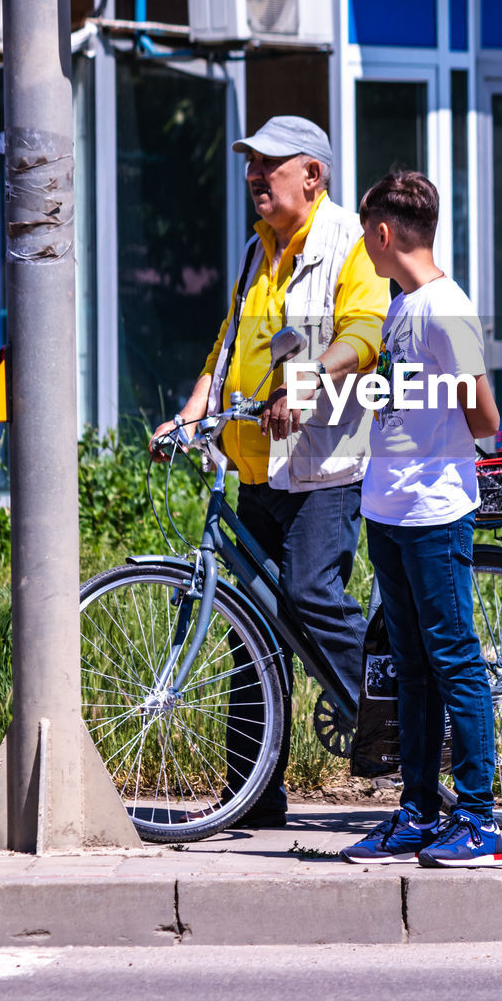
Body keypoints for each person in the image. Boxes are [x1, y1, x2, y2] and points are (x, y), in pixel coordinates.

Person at [150, 116, 387, 827]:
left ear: (311, 175)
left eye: (270, 165)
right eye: (250, 163)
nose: (255, 175)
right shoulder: (260, 252)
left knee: (311, 596)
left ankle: (403, 732)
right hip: (256, 466)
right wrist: (190, 415)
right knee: (248, 629)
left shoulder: (349, 242)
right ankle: (253, 794)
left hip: (322, 464)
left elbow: (364, 335)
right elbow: (228, 349)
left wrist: (307, 381)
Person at [340, 169, 502, 867]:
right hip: (389, 507)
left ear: (382, 233)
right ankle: (415, 811)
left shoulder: (445, 306)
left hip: (435, 510)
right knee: (409, 667)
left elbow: (486, 420)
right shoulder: (401, 306)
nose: (365, 249)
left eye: (365, 236)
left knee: (453, 660)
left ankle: (478, 819)